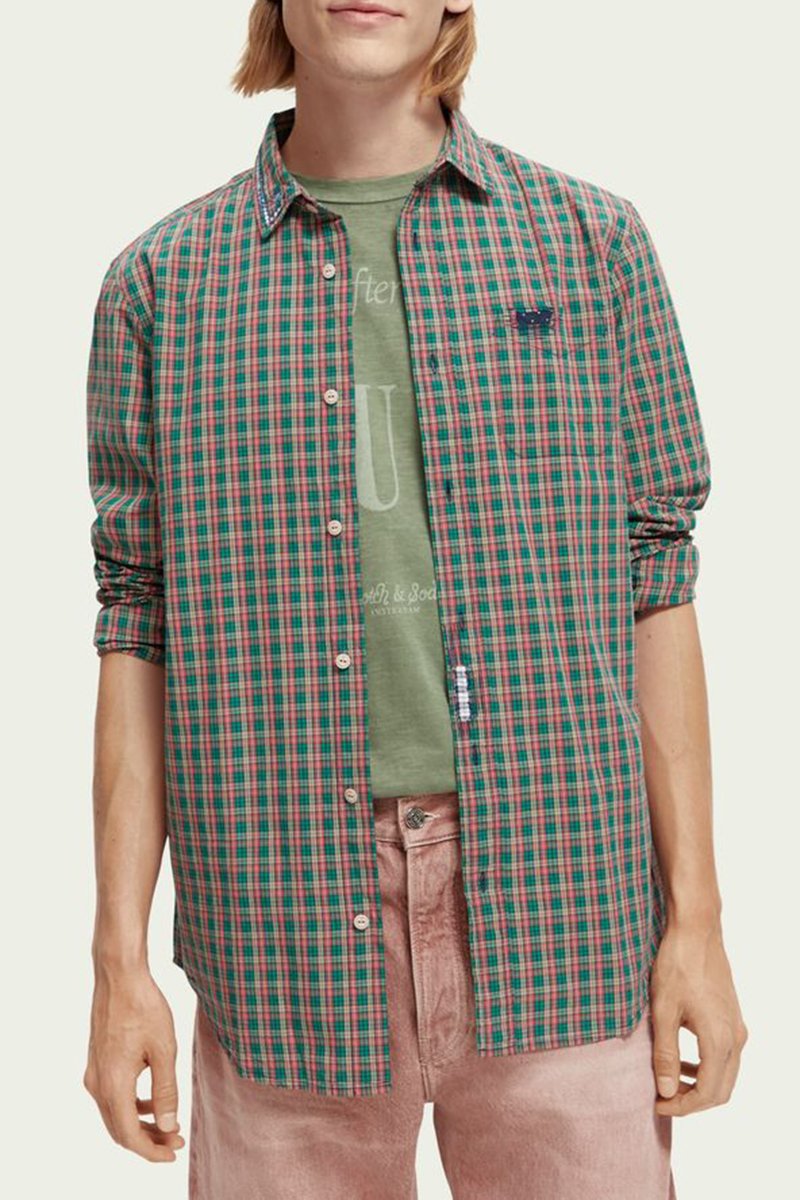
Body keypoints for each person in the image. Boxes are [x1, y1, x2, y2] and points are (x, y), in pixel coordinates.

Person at [82, 1, 748, 1196]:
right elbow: (138, 620)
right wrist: (116, 962)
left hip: (564, 899)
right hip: (278, 925)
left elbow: (656, 579)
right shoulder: (161, 286)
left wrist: (694, 921)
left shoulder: (590, 245)